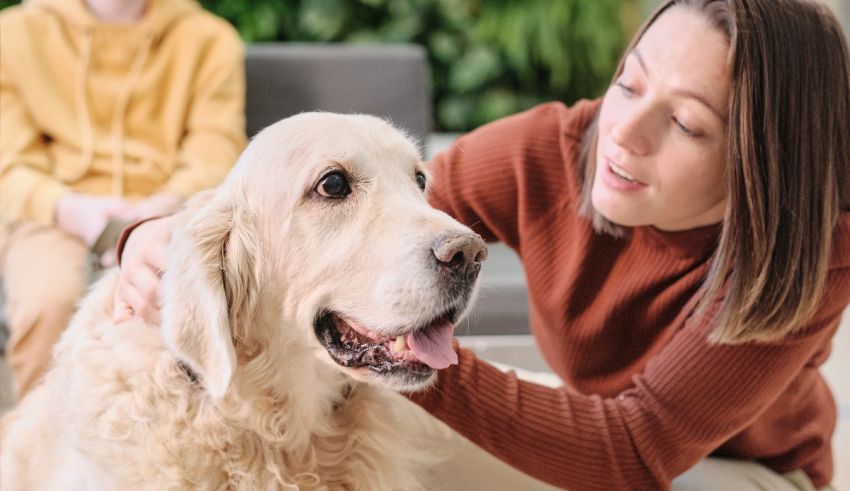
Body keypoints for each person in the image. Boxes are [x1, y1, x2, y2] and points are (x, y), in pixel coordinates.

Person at [113, 0, 850, 489]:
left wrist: (408, 352)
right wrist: (161, 242)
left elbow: (632, 447)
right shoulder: (555, 150)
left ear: (764, 158)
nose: (624, 132)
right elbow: (378, 226)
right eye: (629, 84)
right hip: (601, 420)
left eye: (686, 124)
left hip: (731, 469)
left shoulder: (810, 252)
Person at [0, 0, 246, 401]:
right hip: (52, 214)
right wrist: (71, 210)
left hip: (168, 211)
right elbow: (9, 163)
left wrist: (160, 208)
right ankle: (36, 446)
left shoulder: (209, 39)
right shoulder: (12, 34)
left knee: (183, 304)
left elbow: (214, 151)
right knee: (48, 301)